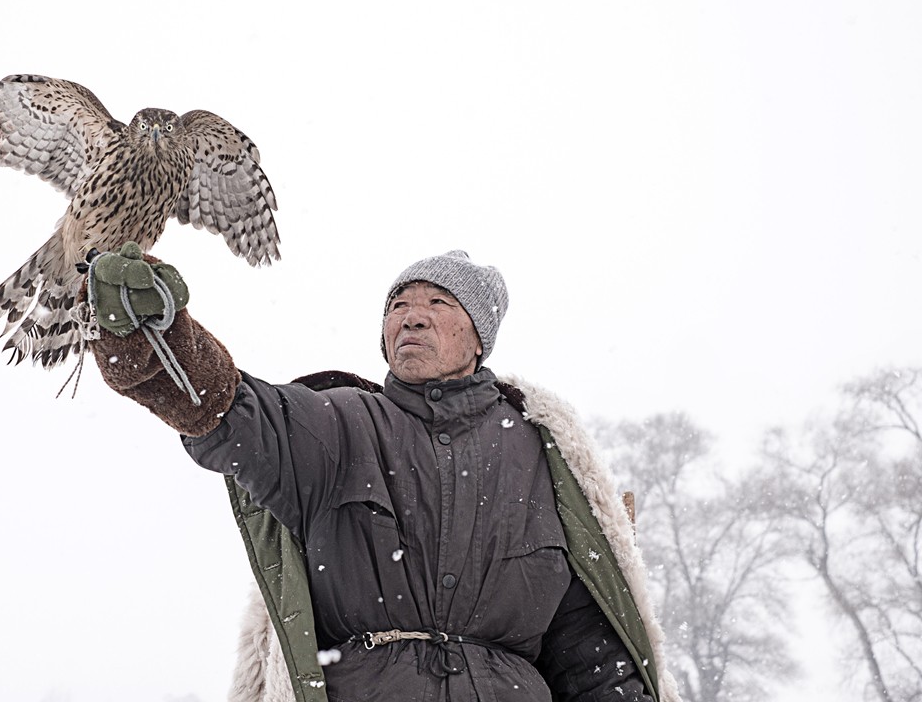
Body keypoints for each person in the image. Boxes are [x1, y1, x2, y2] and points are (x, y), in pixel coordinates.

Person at [83, 247, 680, 702]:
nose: (411, 319)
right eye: (399, 306)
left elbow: (590, 653)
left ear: (479, 338)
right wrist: (155, 336)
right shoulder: (340, 424)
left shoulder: (543, 456)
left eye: (438, 305)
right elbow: (231, 410)